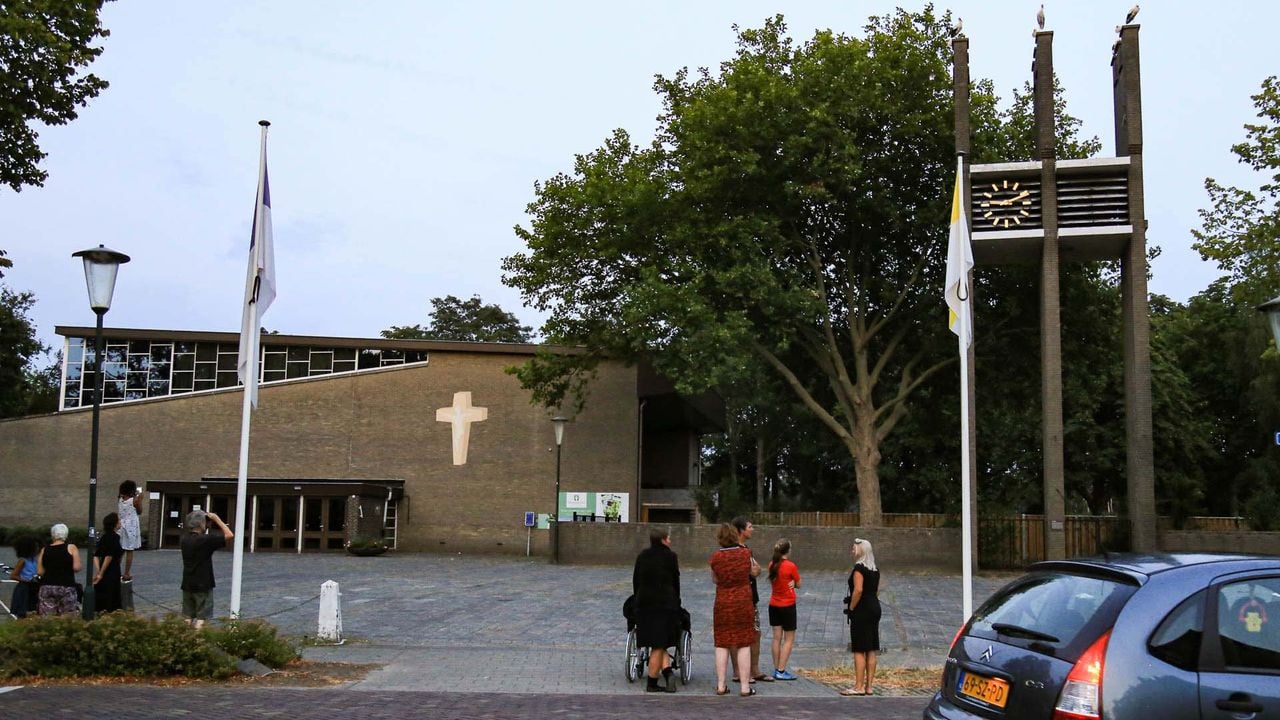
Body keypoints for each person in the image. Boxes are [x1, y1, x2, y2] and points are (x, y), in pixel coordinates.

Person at [710, 522, 758, 697]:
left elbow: (715, 579)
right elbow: (754, 572)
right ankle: (745, 687)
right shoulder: (746, 553)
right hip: (743, 600)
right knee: (744, 642)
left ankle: (721, 685)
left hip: (723, 601)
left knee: (722, 643)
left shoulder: (715, 557)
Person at [632, 527, 681, 693]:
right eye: (668, 538)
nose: (670, 541)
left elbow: (636, 580)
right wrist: (677, 601)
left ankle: (664, 674)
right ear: (662, 540)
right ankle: (652, 682)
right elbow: (675, 581)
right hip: (665, 604)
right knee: (659, 645)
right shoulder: (671, 557)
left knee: (654, 643)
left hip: (644, 604)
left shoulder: (642, 556)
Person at [729, 515, 769, 683]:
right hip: (737, 598)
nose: (752, 529)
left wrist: (755, 571)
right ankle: (738, 671)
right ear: (741, 530)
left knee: (756, 632)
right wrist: (752, 571)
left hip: (751, 597)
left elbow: (757, 569)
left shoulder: (747, 550)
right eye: (750, 527)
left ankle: (754, 668)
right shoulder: (732, 550)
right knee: (736, 634)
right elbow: (751, 571)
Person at [841, 537, 882, 696]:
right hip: (874, 607)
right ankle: (869, 687)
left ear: (860, 550)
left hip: (862, 609)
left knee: (858, 648)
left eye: (854, 548)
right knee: (871, 647)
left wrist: (851, 607)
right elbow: (876, 590)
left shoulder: (859, 569)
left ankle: (858, 687)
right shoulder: (875, 569)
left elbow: (858, 590)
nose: (852, 551)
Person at [180, 510, 233, 628]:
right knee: (201, 618)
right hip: (203, 583)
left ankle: (182, 638)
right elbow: (229, 535)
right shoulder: (206, 540)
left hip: (187, 582)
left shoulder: (184, 539)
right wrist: (216, 519)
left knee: (187, 616)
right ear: (201, 523)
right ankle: (198, 642)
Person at [767, 538, 801, 681]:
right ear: (788, 550)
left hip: (774, 604)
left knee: (776, 638)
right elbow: (799, 584)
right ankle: (781, 670)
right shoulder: (791, 566)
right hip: (787, 605)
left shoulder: (772, 565)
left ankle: (776, 668)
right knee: (788, 639)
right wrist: (793, 582)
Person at [36, 523, 82, 616]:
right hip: (66, 585)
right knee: (68, 617)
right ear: (66, 534)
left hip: (47, 586)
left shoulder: (44, 550)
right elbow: (76, 568)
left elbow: (40, 572)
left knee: (47, 618)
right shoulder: (71, 548)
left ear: (53, 535)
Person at [92, 512, 125, 614]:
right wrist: (101, 573)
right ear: (114, 524)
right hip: (112, 571)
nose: (120, 522)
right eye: (119, 521)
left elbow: (96, 556)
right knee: (111, 598)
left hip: (103, 571)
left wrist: (99, 571)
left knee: (102, 597)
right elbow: (109, 556)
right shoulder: (115, 537)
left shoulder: (104, 537)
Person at [7, 535, 41, 618]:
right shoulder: (23, 561)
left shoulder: (35, 560)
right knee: (22, 612)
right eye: (36, 547)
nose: (38, 549)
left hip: (33, 588)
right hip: (24, 588)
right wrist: (26, 580)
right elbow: (13, 576)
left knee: (34, 611)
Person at [117, 480, 143, 580]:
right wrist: (140, 498)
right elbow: (140, 511)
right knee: (129, 550)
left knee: (121, 550)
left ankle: (117, 569)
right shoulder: (134, 501)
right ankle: (127, 573)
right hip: (131, 527)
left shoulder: (120, 499)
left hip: (121, 525)